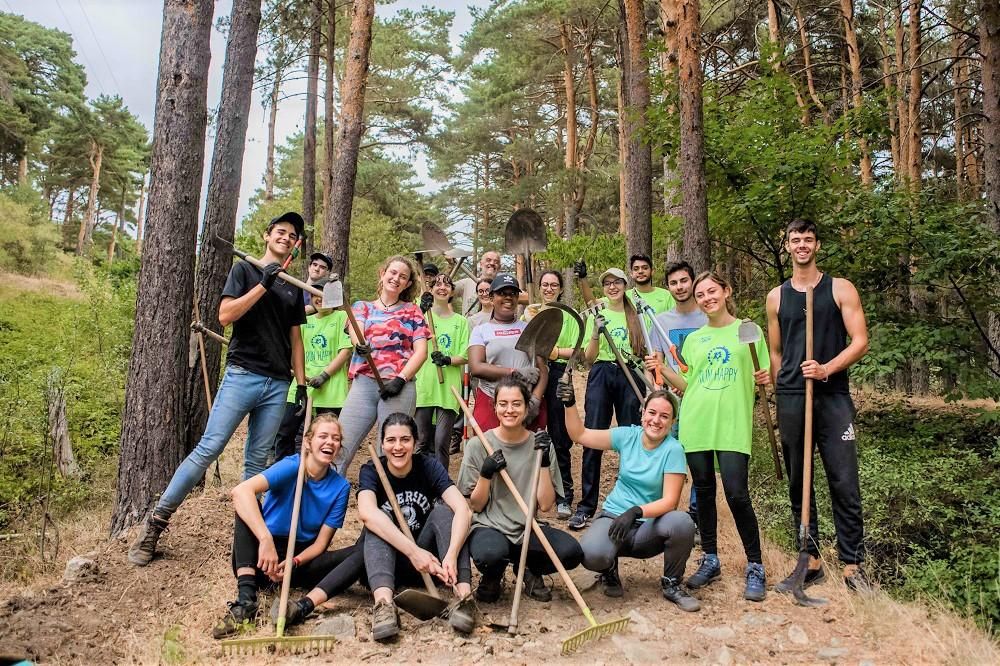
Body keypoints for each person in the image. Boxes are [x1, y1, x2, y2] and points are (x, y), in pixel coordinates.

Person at [130, 212, 308, 567]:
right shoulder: (245, 271)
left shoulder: (293, 286)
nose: (286, 238)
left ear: (296, 245)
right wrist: (263, 285)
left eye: (292, 235)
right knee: (209, 448)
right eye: (280, 232)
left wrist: (300, 385)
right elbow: (225, 316)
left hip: (277, 383)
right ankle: (156, 522)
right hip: (243, 374)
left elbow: (296, 339)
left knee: (257, 465)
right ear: (266, 235)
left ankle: (245, 545)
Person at [765, 218, 870, 592]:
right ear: (788, 246)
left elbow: (860, 341)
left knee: (843, 478)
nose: (802, 245)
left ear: (818, 246)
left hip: (833, 396)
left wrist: (826, 368)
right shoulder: (777, 297)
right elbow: (776, 352)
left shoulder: (840, 289)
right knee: (799, 479)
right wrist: (780, 390)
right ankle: (808, 560)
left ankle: (853, 565)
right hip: (793, 396)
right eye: (795, 240)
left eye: (808, 240)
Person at [653, 271, 771, 602]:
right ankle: (711, 558)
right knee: (703, 492)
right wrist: (662, 370)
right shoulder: (695, 339)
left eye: (712, 291)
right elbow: (691, 385)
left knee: (736, 493)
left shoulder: (748, 330)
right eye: (701, 294)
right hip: (697, 421)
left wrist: (765, 376)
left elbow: (763, 374)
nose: (706, 298)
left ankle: (755, 565)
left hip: (732, 423)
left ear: (726, 290)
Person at [212, 414, 359, 638]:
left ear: (339, 447)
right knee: (245, 506)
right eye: (323, 436)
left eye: (336, 439)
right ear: (308, 442)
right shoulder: (292, 465)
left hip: (300, 561)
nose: (330, 442)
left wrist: (294, 562)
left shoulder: (340, 487)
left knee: (359, 551)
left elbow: (321, 544)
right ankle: (246, 600)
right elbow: (241, 491)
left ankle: (302, 605)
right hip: (261, 558)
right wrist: (265, 539)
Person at [558, 384, 699, 611]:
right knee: (592, 555)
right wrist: (569, 404)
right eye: (652, 413)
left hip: (649, 526)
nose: (656, 420)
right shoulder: (627, 436)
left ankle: (672, 584)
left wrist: (636, 511)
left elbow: (670, 501)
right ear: (642, 413)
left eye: (665, 416)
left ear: (672, 422)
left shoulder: (673, 450)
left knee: (682, 523)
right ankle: (608, 570)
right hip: (614, 518)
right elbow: (579, 434)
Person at [458, 376, 582, 603]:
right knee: (490, 556)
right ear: (494, 407)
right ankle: (493, 576)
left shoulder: (541, 444)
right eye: (503, 404)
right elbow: (474, 505)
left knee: (571, 552)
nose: (509, 410)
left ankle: (528, 569)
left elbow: (545, 506)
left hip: (528, 528)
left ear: (527, 409)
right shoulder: (478, 445)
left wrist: (543, 462)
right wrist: (486, 475)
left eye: (516, 404)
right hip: (490, 527)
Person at [357, 413, 476, 641]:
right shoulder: (372, 470)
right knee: (377, 521)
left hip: (430, 563)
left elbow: (463, 509)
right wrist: (413, 552)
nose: (398, 447)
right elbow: (366, 513)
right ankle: (384, 607)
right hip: (389, 562)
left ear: (414, 442)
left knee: (444, 511)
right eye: (391, 440)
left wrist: (450, 555)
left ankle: (464, 598)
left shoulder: (428, 466)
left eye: (405, 440)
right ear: (382, 444)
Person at [567, 266, 648, 532]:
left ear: (625, 285)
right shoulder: (597, 313)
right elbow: (588, 357)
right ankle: (587, 506)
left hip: (630, 374)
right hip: (602, 372)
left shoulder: (636, 315)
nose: (612, 287)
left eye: (617, 282)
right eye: (607, 283)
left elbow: (645, 351)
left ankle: (631, 503)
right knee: (593, 436)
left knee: (632, 436)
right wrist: (595, 332)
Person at [334, 255, 429, 473]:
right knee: (341, 444)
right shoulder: (362, 307)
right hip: (364, 384)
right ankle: (326, 497)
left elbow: (421, 352)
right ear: (382, 273)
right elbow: (355, 332)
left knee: (390, 450)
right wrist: (360, 345)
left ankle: (384, 499)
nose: (396, 278)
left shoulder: (412, 311)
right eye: (393, 273)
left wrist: (400, 379)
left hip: (398, 388)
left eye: (403, 276)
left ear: (408, 284)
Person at [648, 260, 707, 528]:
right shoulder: (661, 321)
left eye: (684, 280)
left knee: (699, 458)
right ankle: (659, 510)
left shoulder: (707, 317)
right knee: (665, 455)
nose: (679, 287)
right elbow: (656, 362)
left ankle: (696, 515)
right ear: (668, 287)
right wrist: (660, 385)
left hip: (702, 397)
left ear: (692, 281)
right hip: (673, 400)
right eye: (673, 282)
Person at [273, 277, 353, 461]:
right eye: (315, 294)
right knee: (285, 432)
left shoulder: (342, 317)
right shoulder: (304, 322)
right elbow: (295, 351)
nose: (320, 298)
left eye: (324, 294)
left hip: (331, 391)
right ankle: (285, 473)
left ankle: (318, 474)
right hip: (301, 387)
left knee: (326, 437)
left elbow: (345, 352)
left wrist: (324, 375)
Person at [467, 274, 548, 431]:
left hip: (525, 402)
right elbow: (476, 367)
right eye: (502, 293)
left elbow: (543, 369)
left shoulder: (528, 328)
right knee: (491, 451)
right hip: (492, 400)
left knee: (528, 453)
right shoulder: (481, 331)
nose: (508, 298)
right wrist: (515, 373)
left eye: (513, 293)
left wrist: (536, 400)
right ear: (491, 297)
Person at [535, 270, 581, 519]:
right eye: (545, 284)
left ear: (561, 288)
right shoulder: (531, 312)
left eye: (554, 285)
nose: (549, 288)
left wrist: (553, 352)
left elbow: (577, 350)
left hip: (559, 374)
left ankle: (565, 496)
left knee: (559, 435)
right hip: (532, 375)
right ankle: (534, 492)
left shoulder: (568, 317)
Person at [414, 273, 470, 469]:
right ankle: (421, 485)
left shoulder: (461, 321)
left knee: (441, 444)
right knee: (422, 441)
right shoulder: (422, 317)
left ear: (452, 291)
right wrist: (420, 309)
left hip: (448, 389)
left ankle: (441, 489)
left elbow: (466, 355)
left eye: (447, 284)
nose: (442, 287)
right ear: (430, 290)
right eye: (437, 284)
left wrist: (448, 359)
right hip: (424, 386)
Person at [452, 250, 501, 317]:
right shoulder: (467, 283)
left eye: (496, 262)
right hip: (469, 326)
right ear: (481, 264)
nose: (492, 263)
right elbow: (445, 291)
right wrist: (451, 267)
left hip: (494, 326)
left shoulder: (502, 288)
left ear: (499, 267)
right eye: (488, 260)